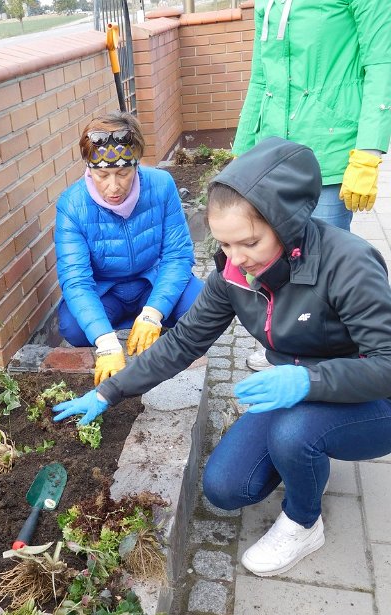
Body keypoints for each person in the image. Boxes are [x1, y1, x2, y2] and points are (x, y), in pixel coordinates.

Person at [51, 137, 391, 578]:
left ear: (284, 224)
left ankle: (304, 521)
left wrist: (307, 382)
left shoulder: (348, 264)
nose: (236, 261)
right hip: (306, 385)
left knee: (293, 433)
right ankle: (311, 448)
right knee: (226, 487)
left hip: (372, 398)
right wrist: (109, 391)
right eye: (225, 245)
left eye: (248, 243)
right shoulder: (234, 273)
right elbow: (184, 341)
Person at [233, 0, 391, 372]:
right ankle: (287, 345)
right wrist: (242, 153)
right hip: (274, 153)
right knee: (278, 255)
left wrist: (368, 151)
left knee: (320, 263)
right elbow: (261, 75)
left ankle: (330, 361)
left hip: (330, 150)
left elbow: (382, 64)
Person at [54, 112, 203, 386]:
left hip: (151, 279)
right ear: (89, 169)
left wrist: (153, 312)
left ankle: (150, 323)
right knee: (73, 328)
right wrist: (106, 342)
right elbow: (75, 280)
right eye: (102, 175)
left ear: (137, 164)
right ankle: (116, 327)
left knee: (198, 304)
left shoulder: (161, 185)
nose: (113, 186)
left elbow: (177, 255)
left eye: (123, 173)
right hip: (107, 291)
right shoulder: (72, 205)